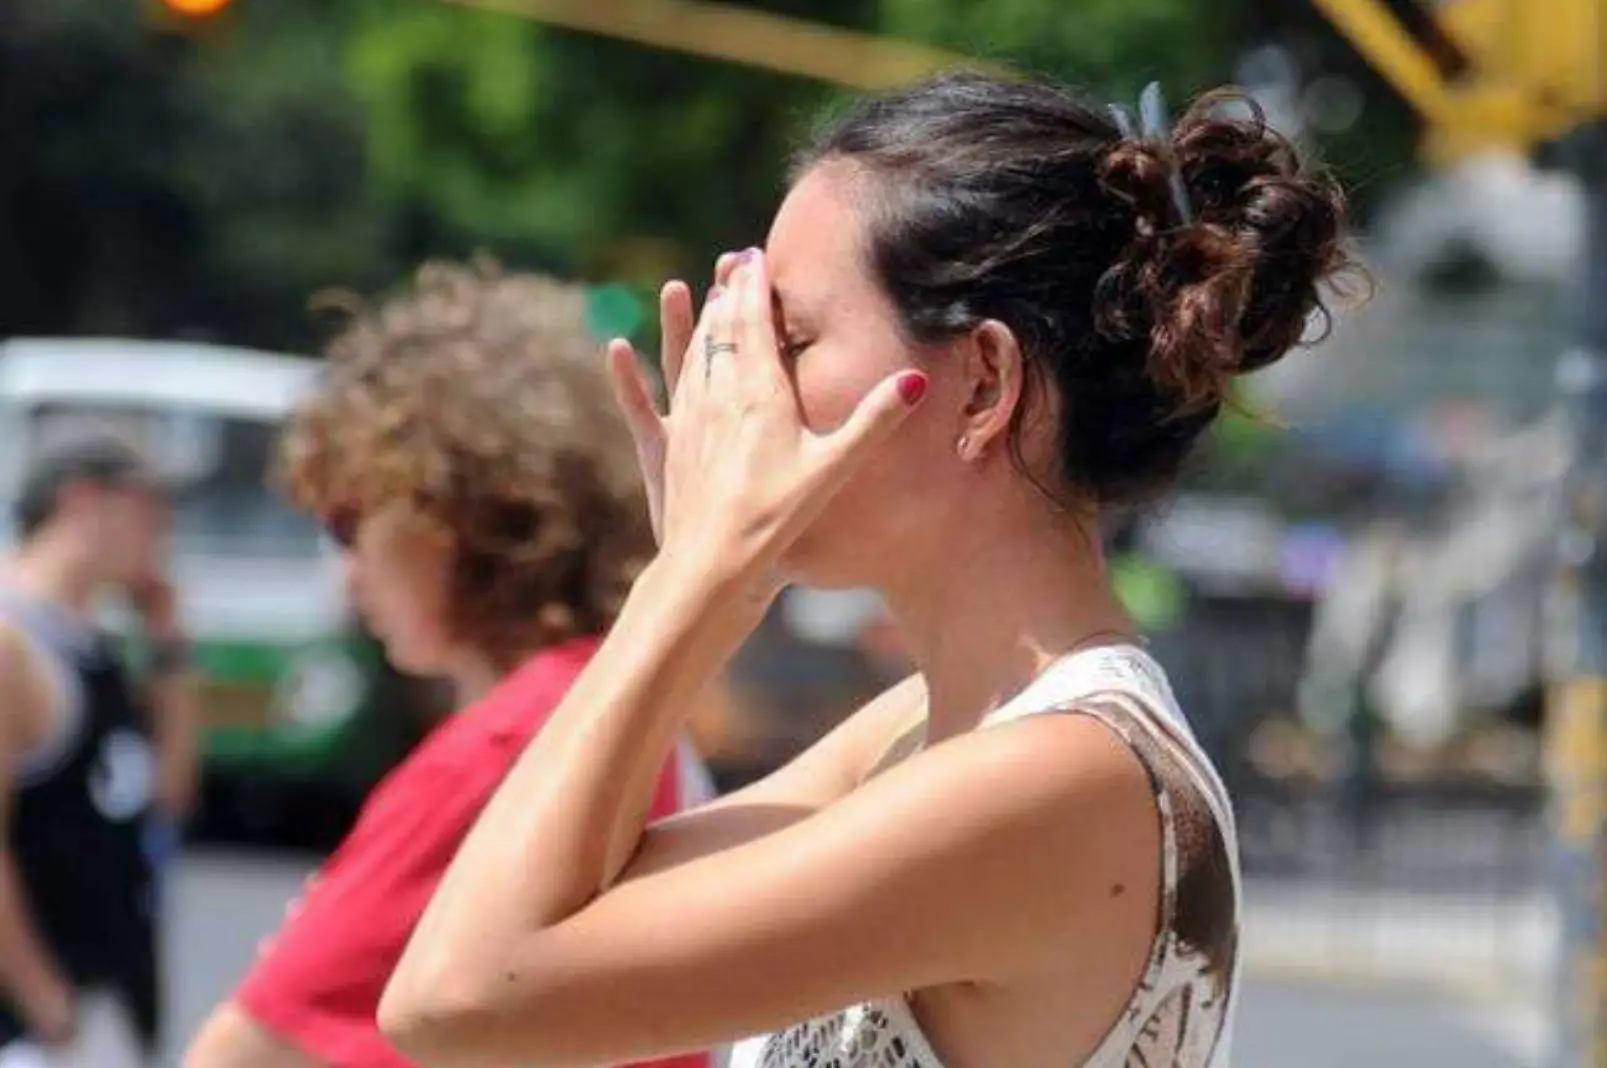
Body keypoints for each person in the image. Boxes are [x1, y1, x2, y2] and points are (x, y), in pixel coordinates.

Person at [378, 72, 1351, 1068]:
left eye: (789, 341)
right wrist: (708, 577)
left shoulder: (1061, 777)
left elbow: (459, 1000)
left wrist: (691, 583)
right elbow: (574, 905)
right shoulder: (921, 729)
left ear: (983, 384)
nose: (740, 384)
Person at [183, 261, 715, 1068]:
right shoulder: (623, 701)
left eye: (347, 522)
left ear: (453, 510)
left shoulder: (507, 747)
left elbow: (244, 1054)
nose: (346, 570)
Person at [0, 437, 198, 1067]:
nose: (161, 535)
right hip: (31, 1022)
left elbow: (167, 794)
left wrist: (168, 647)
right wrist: (44, 1001)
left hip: (103, 994)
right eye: (149, 512)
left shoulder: (96, 642)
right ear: (82, 502)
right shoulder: (13, 644)